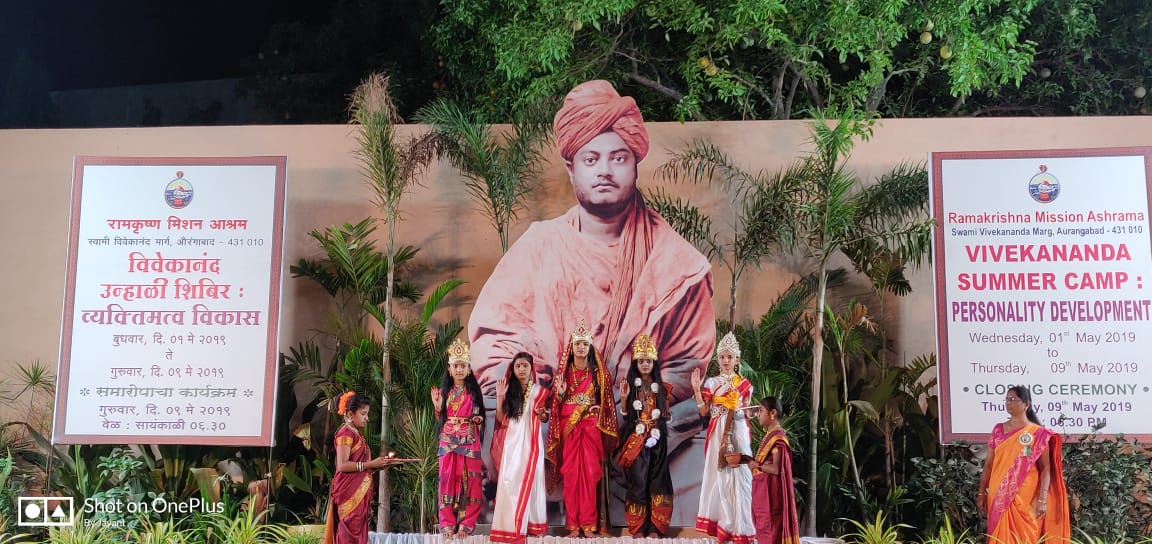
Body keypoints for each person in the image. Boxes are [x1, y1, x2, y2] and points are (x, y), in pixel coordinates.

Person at [467, 79, 716, 451]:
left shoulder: (678, 265)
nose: (604, 170)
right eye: (591, 159)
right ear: (571, 169)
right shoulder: (537, 247)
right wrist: (540, 395)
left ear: (635, 165)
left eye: (618, 158)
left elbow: (685, 365)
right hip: (547, 419)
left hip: (638, 421)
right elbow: (495, 342)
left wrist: (625, 403)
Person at [545, 319, 618, 537]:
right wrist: (560, 394)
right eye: (577, 344)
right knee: (571, 477)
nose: (580, 348)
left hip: (590, 430)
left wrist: (596, 409)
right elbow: (556, 405)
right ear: (572, 347)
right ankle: (573, 525)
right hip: (570, 430)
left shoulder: (598, 375)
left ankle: (588, 524)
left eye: (585, 344)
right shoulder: (564, 375)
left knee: (590, 475)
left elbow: (607, 404)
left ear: (590, 347)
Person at [977, 386, 1070, 544]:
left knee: (1026, 536)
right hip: (998, 493)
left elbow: (1046, 468)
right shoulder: (998, 430)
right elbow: (989, 465)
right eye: (1007, 399)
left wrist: (1042, 499)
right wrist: (981, 493)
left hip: (1026, 495)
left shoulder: (1038, 433)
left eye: (1013, 399)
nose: (1008, 402)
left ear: (1026, 404)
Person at [692, 332, 755, 544]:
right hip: (718, 433)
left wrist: (740, 408)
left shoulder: (745, 384)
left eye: (730, 357)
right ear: (717, 359)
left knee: (741, 477)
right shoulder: (711, 383)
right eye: (722, 357)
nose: (726, 361)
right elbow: (704, 412)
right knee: (719, 476)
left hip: (738, 431)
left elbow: (748, 413)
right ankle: (723, 527)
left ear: (737, 359)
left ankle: (741, 528)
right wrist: (696, 391)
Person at [613, 333, 674, 538]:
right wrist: (623, 399)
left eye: (648, 361)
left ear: (654, 363)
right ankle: (638, 527)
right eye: (641, 361)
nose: (645, 364)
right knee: (638, 481)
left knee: (658, 481)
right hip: (636, 439)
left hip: (657, 440)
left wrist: (664, 416)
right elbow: (626, 416)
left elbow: (666, 415)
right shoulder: (630, 387)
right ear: (636, 364)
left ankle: (656, 527)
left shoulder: (663, 388)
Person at [490, 352, 551, 544]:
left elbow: (544, 418)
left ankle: (530, 527)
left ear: (531, 368)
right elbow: (500, 419)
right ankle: (510, 529)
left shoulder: (540, 392)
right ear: (513, 369)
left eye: (525, 365)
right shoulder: (509, 391)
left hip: (532, 445)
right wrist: (500, 397)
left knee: (532, 484)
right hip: (512, 445)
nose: (522, 369)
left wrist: (543, 414)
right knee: (510, 484)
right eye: (518, 366)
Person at [323, 391, 399, 544]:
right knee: (349, 536)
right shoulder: (345, 433)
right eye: (363, 414)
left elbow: (359, 466)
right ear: (350, 414)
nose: (367, 418)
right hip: (348, 493)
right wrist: (371, 464)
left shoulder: (356, 434)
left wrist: (378, 465)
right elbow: (342, 465)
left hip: (358, 494)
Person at [431, 338, 487, 539]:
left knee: (471, 481)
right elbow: (441, 418)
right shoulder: (444, 392)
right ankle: (447, 523)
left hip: (469, 440)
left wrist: (478, 419)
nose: (459, 370)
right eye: (456, 366)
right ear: (449, 369)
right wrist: (438, 409)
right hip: (447, 441)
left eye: (463, 366)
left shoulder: (474, 393)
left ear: (469, 369)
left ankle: (466, 523)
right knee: (447, 479)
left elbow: (479, 415)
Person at [749, 397, 800, 544]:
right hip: (763, 495)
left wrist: (756, 466)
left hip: (772, 496)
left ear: (772, 413)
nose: (758, 414)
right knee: (765, 533)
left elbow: (776, 469)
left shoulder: (778, 438)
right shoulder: (769, 435)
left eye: (761, 411)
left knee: (772, 534)